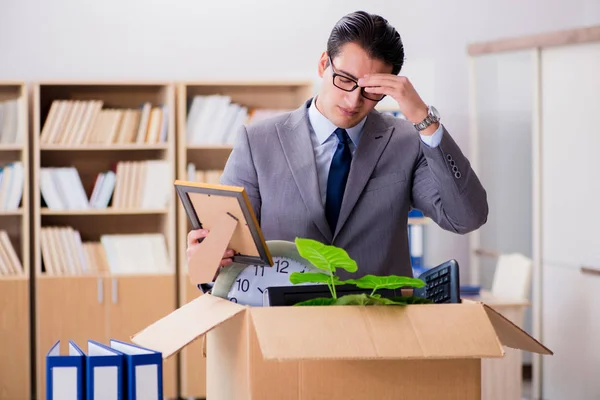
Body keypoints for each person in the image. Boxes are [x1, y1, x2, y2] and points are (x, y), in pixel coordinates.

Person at [187, 10, 488, 279]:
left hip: (380, 327)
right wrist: (208, 258)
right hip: (283, 326)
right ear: (323, 64)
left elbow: (466, 218)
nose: (354, 100)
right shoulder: (258, 141)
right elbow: (220, 252)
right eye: (345, 79)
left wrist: (425, 120)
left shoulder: (406, 142)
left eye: (372, 91)